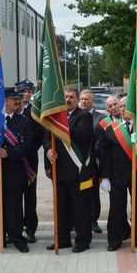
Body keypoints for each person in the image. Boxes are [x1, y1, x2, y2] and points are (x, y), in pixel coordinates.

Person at [99, 97, 137, 251]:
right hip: (116, 175)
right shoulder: (110, 127)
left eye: (128, 106)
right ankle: (115, 240)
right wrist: (104, 176)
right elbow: (104, 153)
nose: (124, 109)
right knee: (116, 208)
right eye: (122, 106)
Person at [45, 87, 94, 253]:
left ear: (78, 99)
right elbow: (46, 137)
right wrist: (48, 150)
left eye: (71, 97)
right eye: (65, 97)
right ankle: (63, 239)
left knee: (80, 209)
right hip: (58, 170)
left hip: (76, 171)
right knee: (61, 208)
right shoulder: (55, 118)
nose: (68, 100)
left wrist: (62, 123)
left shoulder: (84, 115)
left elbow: (82, 135)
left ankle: (83, 240)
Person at [0, 88, 32, 253]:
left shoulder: (23, 121)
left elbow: (27, 146)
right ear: (5, 101)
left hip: (14, 171)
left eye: (19, 99)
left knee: (15, 208)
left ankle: (17, 238)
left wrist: (8, 153)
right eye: (14, 99)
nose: (18, 102)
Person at [14, 80, 41, 241]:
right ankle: (15, 228)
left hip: (29, 159)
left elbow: (38, 134)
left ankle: (31, 228)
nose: (26, 94)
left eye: (29, 91)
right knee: (15, 196)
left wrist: (27, 150)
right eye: (23, 91)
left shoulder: (34, 112)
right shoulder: (8, 112)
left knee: (30, 196)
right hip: (13, 161)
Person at [80, 88, 105, 234]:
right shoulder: (75, 116)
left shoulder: (100, 118)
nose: (83, 102)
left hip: (94, 162)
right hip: (78, 162)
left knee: (93, 193)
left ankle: (93, 220)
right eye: (82, 99)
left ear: (92, 101)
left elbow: (102, 140)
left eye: (86, 99)